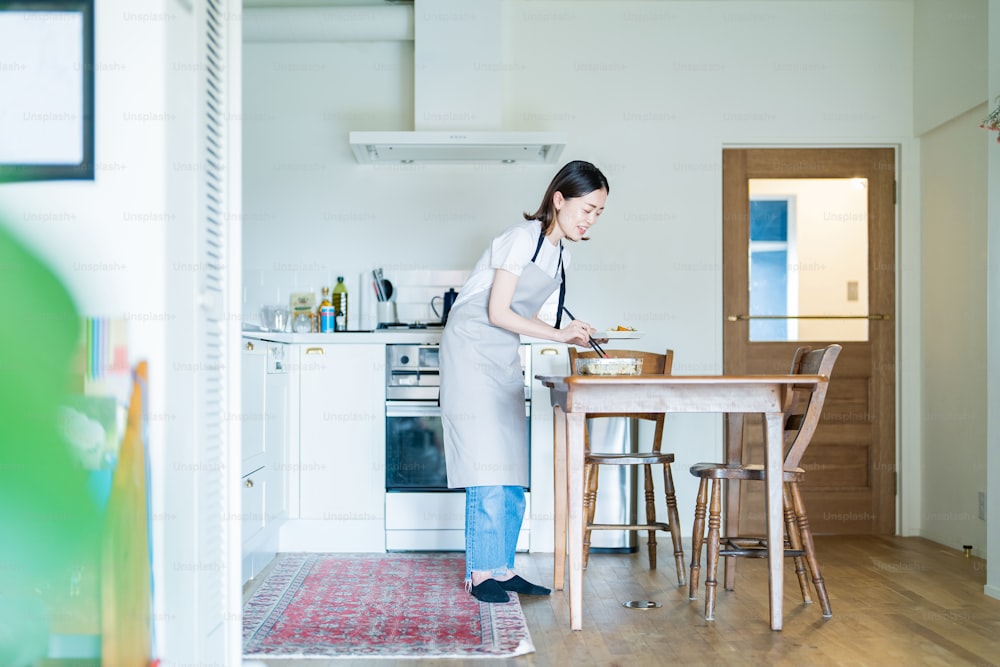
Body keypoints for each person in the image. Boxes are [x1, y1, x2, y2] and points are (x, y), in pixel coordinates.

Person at [439, 160, 610, 603]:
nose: (590, 219)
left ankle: (502, 566)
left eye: (598, 213)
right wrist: (559, 334)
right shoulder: (520, 239)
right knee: (486, 461)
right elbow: (497, 311)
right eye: (586, 209)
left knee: (511, 462)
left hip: (500, 353)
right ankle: (480, 574)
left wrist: (581, 332)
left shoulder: (560, 256)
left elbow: (533, 317)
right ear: (559, 200)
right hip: (471, 347)